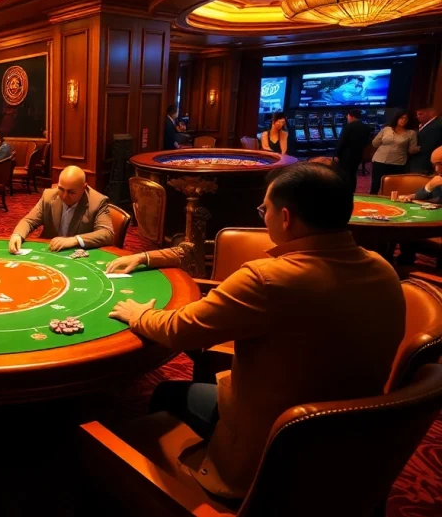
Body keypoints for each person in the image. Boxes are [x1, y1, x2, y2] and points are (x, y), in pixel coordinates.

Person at [105, 162, 404, 499]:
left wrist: (139, 314)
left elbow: (180, 330)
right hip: (352, 441)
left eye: (265, 208)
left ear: (286, 217)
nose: (264, 216)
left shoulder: (269, 279)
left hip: (277, 443)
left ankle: (140, 493)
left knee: (164, 394)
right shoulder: (384, 269)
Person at [9, 165, 114, 253]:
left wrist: (74, 240)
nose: (64, 196)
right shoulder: (49, 196)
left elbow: (107, 233)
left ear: (84, 187)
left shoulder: (98, 201)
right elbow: (29, 221)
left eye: (71, 192)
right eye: (61, 189)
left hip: (78, 256)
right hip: (50, 253)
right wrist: (17, 235)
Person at [370, 109, 418, 194]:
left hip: (397, 162)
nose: (403, 120)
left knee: (392, 187)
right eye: (401, 118)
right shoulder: (386, 129)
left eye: (406, 119)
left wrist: (419, 149)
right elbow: (375, 143)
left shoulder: (411, 133)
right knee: (375, 184)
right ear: (397, 118)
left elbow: (411, 150)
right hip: (380, 160)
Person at [333, 108, 373, 191]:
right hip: (358, 154)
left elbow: (342, 141)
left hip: (346, 154)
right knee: (353, 173)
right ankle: (352, 190)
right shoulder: (366, 127)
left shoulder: (349, 126)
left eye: (348, 116)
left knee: (343, 173)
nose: (347, 118)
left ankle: (344, 190)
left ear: (352, 116)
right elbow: (367, 142)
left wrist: (336, 154)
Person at [407, 106, 442, 174]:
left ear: (431, 113)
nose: (418, 116)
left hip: (427, 163)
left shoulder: (438, 124)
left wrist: (418, 149)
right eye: (417, 114)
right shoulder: (422, 125)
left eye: (421, 114)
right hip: (417, 162)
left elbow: (431, 143)